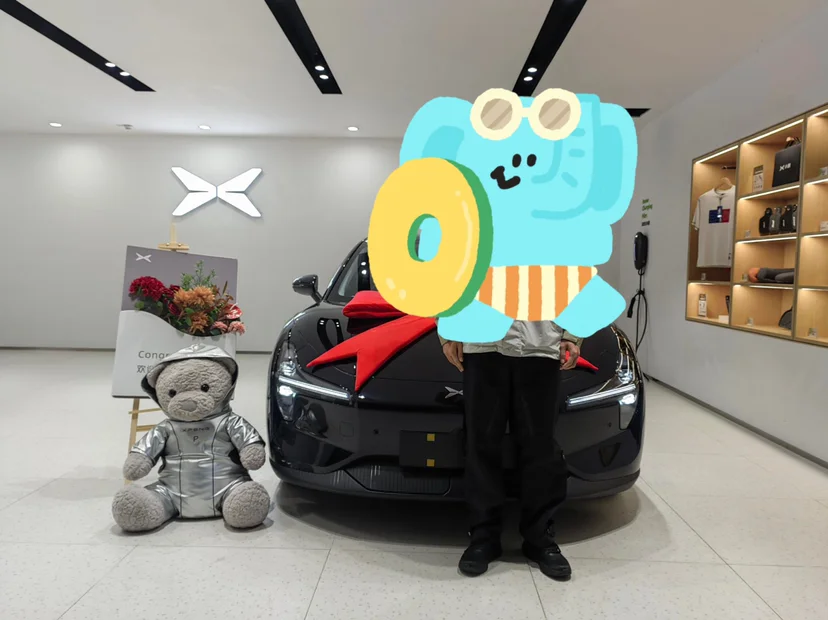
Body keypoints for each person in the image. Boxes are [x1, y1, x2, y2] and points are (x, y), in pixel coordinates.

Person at [441, 321, 581, 580]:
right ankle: (484, 537)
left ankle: (539, 538)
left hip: (541, 346)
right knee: (481, 444)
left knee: (540, 447)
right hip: (482, 345)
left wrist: (573, 335)